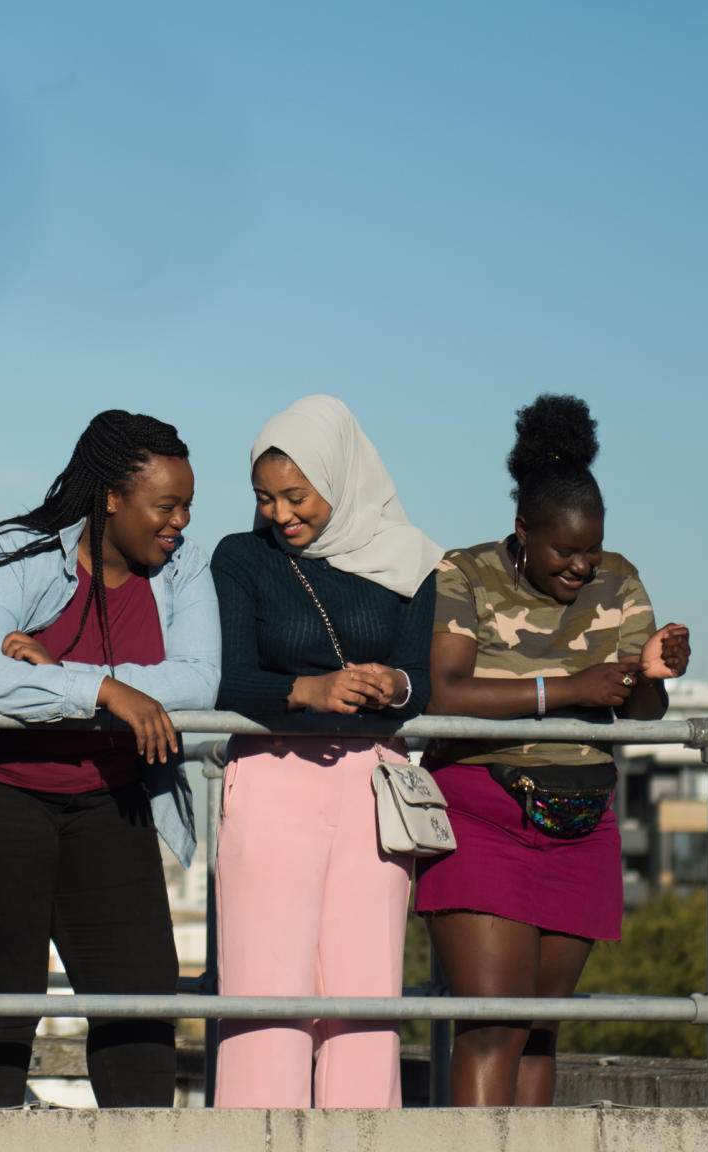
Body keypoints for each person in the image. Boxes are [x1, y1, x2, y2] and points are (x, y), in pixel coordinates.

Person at [0, 411, 218, 1108]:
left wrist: (57, 674)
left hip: (115, 802)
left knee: (140, 1010)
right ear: (111, 497)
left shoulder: (185, 567)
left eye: (187, 506)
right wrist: (105, 692)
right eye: (165, 506)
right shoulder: (19, 551)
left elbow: (199, 682)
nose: (179, 522)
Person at [416, 394, 691, 1107]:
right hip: (482, 815)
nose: (581, 566)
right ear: (522, 532)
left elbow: (640, 712)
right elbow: (445, 694)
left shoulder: (619, 579)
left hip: (582, 822)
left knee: (540, 1030)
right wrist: (571, 688)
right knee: (494, 1027)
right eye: (564, 551)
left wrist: (653, 675)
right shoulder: (465, 573)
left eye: (591, 550)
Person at [209, 395, 441, 1109]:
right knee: (263, 998)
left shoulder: (415, 560)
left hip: (376, 789)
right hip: (271, 775)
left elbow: (425, 681)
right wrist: (307, 691)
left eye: (297, 496)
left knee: (365, 1000)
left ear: (341, 479)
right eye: (265, 498)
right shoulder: (241, 557)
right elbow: (224, 677)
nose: (280, 514)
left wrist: (394, 684)